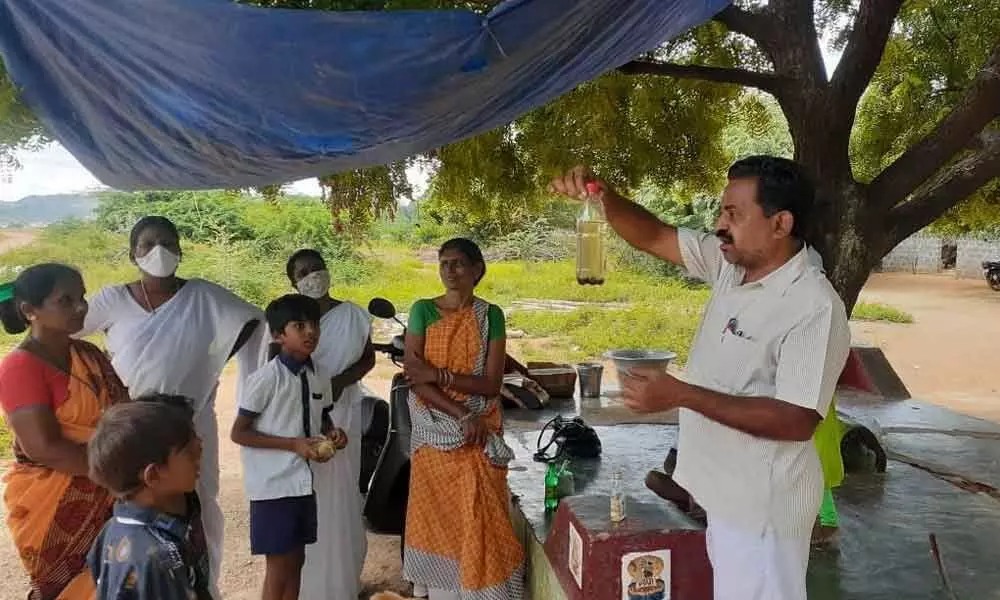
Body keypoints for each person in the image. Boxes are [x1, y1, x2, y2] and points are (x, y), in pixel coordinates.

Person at [550, 157, 851, 600]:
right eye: (721, 211)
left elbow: (796, 419)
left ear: (780, 223)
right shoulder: (730, 265)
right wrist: (603, 197)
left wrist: (681, 394)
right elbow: (653, 235)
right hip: (725, 499)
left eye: (734, 213)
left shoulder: (812, 305)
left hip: (762, 513)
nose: (719, 224)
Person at [77, 216, 269, 590]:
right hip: (133, 427)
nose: (158, 251)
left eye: (167, 242)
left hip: (191, 421)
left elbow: (253, 322)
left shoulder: (202, 295)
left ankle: (201, 586)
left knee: (199, 502)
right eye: (147, 244)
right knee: (137, 506)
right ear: (133, 254)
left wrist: (211, 364)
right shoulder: (113, 299)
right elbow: (64, 331)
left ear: (180, 250)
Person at [402, 238, 525, 600]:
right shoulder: (422, 310)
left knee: (481, 519)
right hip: (436, 431)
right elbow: (414, 377)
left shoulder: (491, 316)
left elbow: (490, 383)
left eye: (458, 264)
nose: (450, 271)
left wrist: (439, 377)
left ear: (477, 270)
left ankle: (483, 590)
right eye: (444, 264)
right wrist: (461, 413)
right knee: (440, 523)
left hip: (478, 434)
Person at [0, 263, 130, 599]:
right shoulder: (20, 367)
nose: (81, 307)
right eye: (66, 300)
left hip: (113, 484)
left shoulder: (88, 354)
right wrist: (122, 473)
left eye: (83, 297)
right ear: (30, 311)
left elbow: (125, 415)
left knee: (122, 581)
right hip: (53, 499)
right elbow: (44, 448)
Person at [231, 294, 343, 600]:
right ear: (279, 335)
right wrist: (292, 444)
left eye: (315, 324)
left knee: (296, 562)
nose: (311, 332)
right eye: (299, 325)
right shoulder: (266, 379)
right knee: (279, 567)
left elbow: (323, 415)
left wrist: (332, 433)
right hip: (273, 485)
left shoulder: (319, 374)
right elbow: (239, 433)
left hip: (301, 485)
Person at [285, 249, 375, 600]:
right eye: (303, 272)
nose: (312, 275)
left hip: (345, 413)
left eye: (316, 267)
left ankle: (344, 580)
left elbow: (368, 358)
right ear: (293, 282)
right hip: (304, 417)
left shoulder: (352, 315)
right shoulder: (290, 321)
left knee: (344, 494)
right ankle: (312, 586)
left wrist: (341, 380)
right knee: (313, 496)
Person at [87, 395, 211, 600]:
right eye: (188, 452)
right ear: (153, 475)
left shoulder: (111, 529)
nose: (200, 448)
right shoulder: (161, 556)